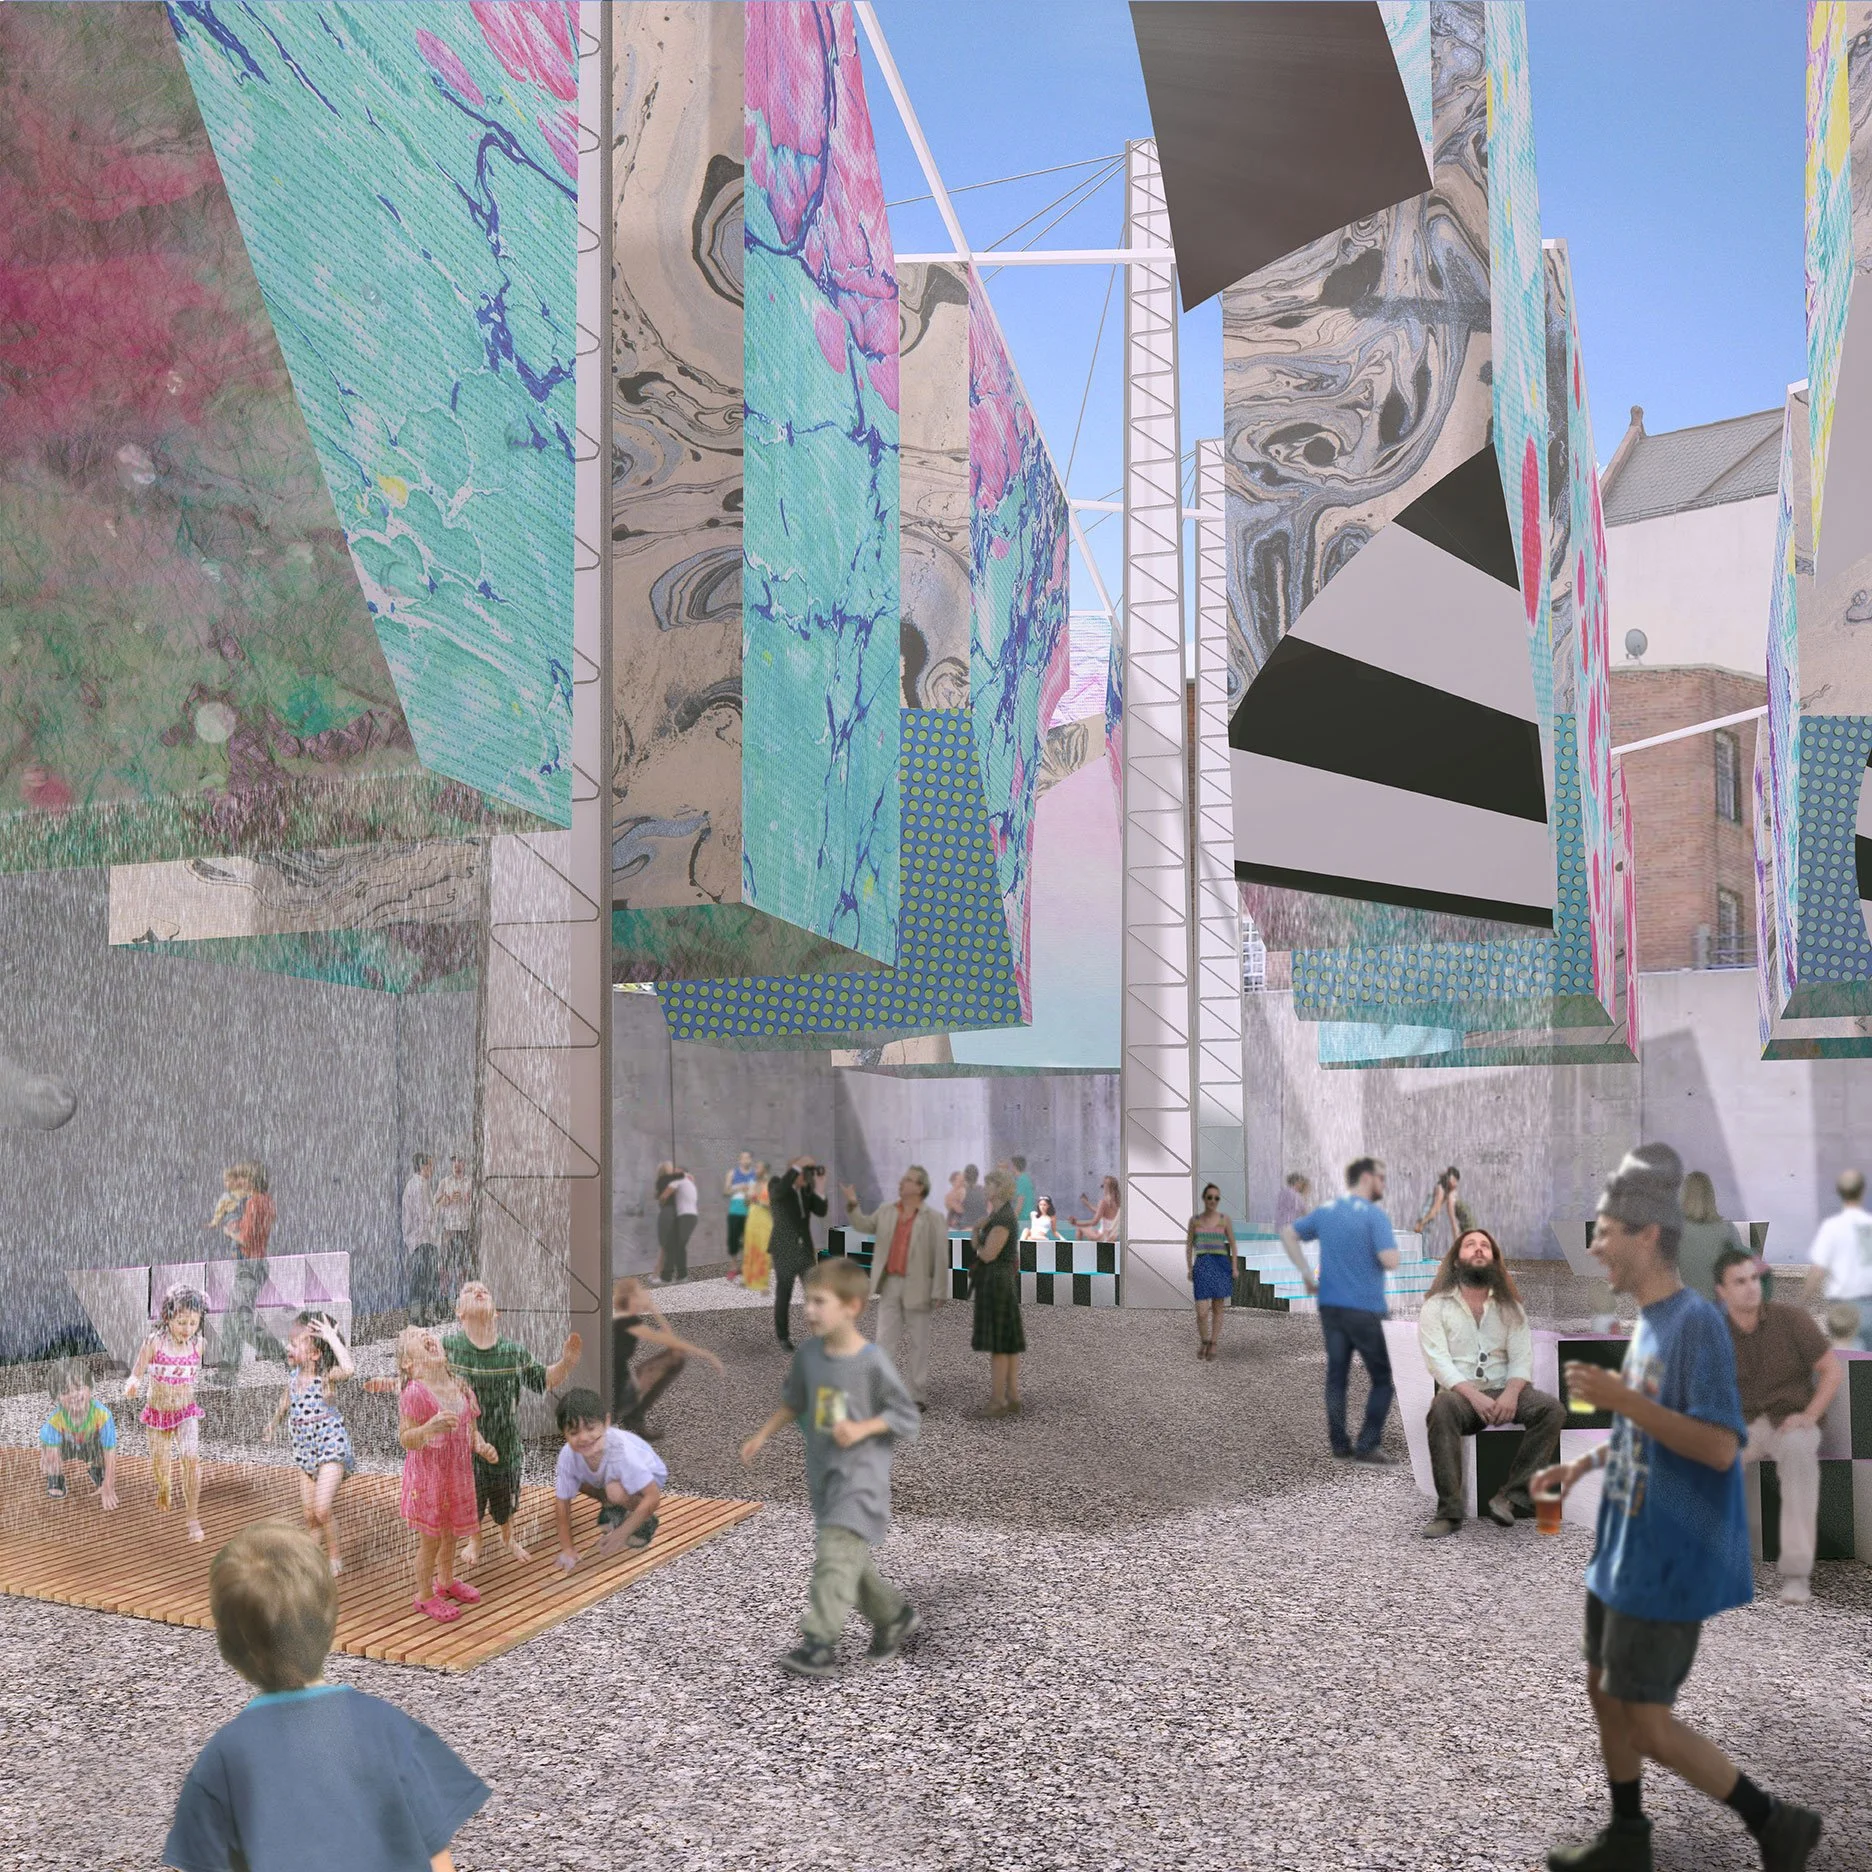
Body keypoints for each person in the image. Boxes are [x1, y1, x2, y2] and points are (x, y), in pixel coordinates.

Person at [1534, 1144, 1821, 1872]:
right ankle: (1628, 1838)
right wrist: (1585, 1462)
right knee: (1604, 1690)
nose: (1595, 1245)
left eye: (1605, 1231)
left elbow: (1720, 1448)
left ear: (1647, 1235)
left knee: (1649, 1723)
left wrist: (1623, 1400)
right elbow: (1645, 1431)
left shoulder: (1695, 1324)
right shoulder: (1648, 1322)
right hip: (1624, 1548)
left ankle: (1775, 1822)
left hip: (1669, 1557)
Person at [162, 1523, 488, 1872]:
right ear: (330, 1624)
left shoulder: (223, 1758)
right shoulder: (390, 1729)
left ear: (228, 1649)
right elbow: (437, 1858)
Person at [741, 1257, 921, 1677]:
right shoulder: (808, 1356)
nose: (809, 1310)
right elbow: (795, 1401)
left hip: (861, 1482)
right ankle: (892, 1615)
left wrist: (863, 1428)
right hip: (824, 1478)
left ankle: (818, 1643)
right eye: (807, 1301)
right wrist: (763, 1435)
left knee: (833, 1558)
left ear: (852, 1307)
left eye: (820, 1302)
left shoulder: (872, 1362)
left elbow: (906, 1417)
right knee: (850, 1563)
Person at [1714, 1245, 1842, 1605]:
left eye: (1754, 1279)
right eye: (1739, 1282)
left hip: (1791, 1423)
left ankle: (1797, 1575)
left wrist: (1811, 1415)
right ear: (1722, 1292)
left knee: (1800, 1454)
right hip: (1746, 1425)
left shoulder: (1792, 1319)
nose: (1751, 1287)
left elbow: (1832, 1370)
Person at [1416, 1227, 1564, 1537]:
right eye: (1470, 1245)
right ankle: (1449, 1513)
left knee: (1552, 1409)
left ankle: (1510, 1497)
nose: (1479, 1249)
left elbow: (1522, 1359)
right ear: (1457, 1261)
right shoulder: (1435, 1306)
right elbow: (1437, 1361)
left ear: (1495, 1261)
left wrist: (1511, 1394)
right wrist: (1474, 1396)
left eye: (1485, 1246)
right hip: (1461, 1395)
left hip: (1504, 1389)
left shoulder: (1511, 1308)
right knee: (1441, 1408)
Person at [444, 1281, 581, 1568]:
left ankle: (508, 1537)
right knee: (471, 1498)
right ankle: (475, 1539)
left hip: (506, 1441)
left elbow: (543, 1380)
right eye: (469, 1291)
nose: (478, 1291)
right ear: (459, 1312)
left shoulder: (512, 1352)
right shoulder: (448, 1348)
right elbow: (425, 1378)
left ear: (496, 1313)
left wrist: (566, 1364)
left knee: (506, 1498)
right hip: (464, 1446)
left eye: (484, 1290)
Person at [1283, 1157, 1400, 1465]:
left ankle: (1339, 1444)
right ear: (1366, 1177)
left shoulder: (1327, 1210)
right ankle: (1367, 1444)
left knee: (1337, 1376)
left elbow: (1288, 1234)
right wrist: (1390, 1254)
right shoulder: (1375, 1216)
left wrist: (1308, 1275)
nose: (1384, 1184)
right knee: (1384, 1378)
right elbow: (1390, 1260)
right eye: (1382, 1178)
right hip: (1366, 1310)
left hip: (1331, 1307)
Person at [394, 1325, 498, 1624]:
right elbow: (405, 1438)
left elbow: (471, 1430)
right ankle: (425, 1596)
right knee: (432, 1539)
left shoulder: (460, 1386)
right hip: (430, 1479)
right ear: (409, 1365)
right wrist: (427, 1429)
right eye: (415, 1337)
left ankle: (447, 1580)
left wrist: (481, 1446)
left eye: (428, 1332)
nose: (426, 1335)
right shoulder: (415, 1393)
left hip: (457, 1475)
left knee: (451, 1532)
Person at [841, 1165, 950, 1411]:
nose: (902, 1183)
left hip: (919, 1287)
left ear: (920, 1187)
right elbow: (863, 1225)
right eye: (903, 1179)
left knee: (918, 1343)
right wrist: (851, 1204)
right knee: (883, 1341)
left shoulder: (934, 1218)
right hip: (890, 1284)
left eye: (908, 1180)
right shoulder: (886, 1211)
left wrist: (940, 1290)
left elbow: (941, 1256)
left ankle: (916, 1396)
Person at [262, 1312, 356, 1576]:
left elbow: (349, 1368)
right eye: (289, 1342)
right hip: (305, 1455)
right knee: (309, 1514)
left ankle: (334, 1556)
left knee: (322, 1508)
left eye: (295, 1344)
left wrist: (330, 1338)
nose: (288, 1347)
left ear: (315, 1354)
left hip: (330, 1450)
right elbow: (286, 1401)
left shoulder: (326, 1378)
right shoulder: (293, 1378)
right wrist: (273, 1423)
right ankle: (314, 1560)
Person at [125, 1281, 209, 1540]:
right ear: (168, 1317)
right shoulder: (155, 1343)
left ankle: (192, 1518)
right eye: (182, 1322)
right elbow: (136, 1372)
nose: (188, 1329)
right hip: (158, 1413)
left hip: (186, 1412)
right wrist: (133, 1383)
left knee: (191, 1459)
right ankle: (164, 1487)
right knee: (161, 1465)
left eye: (193, 1323)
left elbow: (191, 1376)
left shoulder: (198, 1345)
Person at [552, 1389, 667, 1571]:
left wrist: (622, 1534)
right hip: (608, 1476)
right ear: (563, 1433)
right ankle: (614, 1507)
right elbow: (562, 1503)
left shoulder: (622, 1453)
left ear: (606, 1422)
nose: (583, 1438)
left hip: (650, 1475)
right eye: (574, 1432)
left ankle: (646, 1522)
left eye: (590, 1428)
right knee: (574, 1480)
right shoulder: (568, 1455)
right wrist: (568, 1549)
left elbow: (653, 1497)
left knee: (615, 1490)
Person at [612, 1274, 724, 1436]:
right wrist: (708, 1355)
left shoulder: (621, 1318)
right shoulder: (627, 1322)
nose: (647, 1294)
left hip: (616, 1385)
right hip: (617, 1393)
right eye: (641, 1291)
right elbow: (671, 1341)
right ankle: (633, 1417)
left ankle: (632, 1416)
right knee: (675, 1358)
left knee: (675, 1355)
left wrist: (653, 1309)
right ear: (632, 1298)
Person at [211, 1161, 281, 1383]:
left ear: (252, 1180)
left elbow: (246, 1238)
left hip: (250, 1267)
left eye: (244, 1177)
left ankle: (286, 1358)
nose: (238, 1182)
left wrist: (231, 1231)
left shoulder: (254, 1203)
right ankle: (227, 1372)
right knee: (232, 1320)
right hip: (253, 1266)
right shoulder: (265, 1202)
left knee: (241, 1323)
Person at [970, 1165, 1026, 1415]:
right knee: (1008, 1342)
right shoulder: (1001, 1216)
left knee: (1000, 1345)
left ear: (998, 1188)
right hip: (1003, 1281)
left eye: (989, 1184)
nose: (985, 1188)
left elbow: (988, 1254)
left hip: (996, 1282)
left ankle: (997, 1401)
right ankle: (1012, 1395)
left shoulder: (1001, 1219)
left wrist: (976, 1239)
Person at [1806, 1168, 1872, 1351]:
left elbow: (1818, 1271)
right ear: (1861, 1191)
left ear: (1839, 1192)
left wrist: (1802, 1301)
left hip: (1842, 1310)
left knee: (1848, 1368)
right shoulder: (1868, 1225)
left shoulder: (1832, 1227)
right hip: (1868, 1304)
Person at [37, 1360, 118, 1509]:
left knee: (102, 1449)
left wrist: (109, 1485)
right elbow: (48, 1444)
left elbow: (110, 1452)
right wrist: (47, 1458)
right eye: (65, 1392)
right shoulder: (55, 1420)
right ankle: (56, 1478)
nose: (74, 1395)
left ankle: (97, 1470)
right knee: (51, 1456)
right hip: (66, 1447)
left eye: (79, 1388)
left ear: (90, 1387)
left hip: (90, 1445)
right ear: (57, 1398)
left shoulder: (103, 1415)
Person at [769, 1155, 828, 1351]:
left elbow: (820, 1211)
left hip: (804, 1251)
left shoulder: (806, 1191)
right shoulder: (777, 1184)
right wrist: (798, 1166)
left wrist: (820, 1186)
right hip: (784, 1250)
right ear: (795, 1170)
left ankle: (821, 1334)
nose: (808, 1175)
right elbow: (778, 1193)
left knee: (815, 1292)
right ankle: (783, 1336)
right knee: (784, 1292)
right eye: (806, 1171)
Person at [1186, 1183, 1238, 1362]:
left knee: (1218, 1307)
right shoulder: (1195, 1221)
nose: (1213, 1201)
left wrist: (1235, 1266)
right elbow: (1189, 1244)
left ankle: (1213, 1342)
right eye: (1210, 1197)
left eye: (1216, 1198)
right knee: (1201, 1311)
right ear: (1204, 1198)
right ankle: (1204, 1340)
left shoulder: (1225, 1219)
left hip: (1220, 1264)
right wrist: (1189, 1267)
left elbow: (1232, 1243)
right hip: (1202, 1264)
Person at [1676, 1171, 1746, 1303]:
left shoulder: (1676, 1232)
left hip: (1689, 1306)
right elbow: (1745, 1266)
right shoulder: (1728, 1230)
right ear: (1711, 1196)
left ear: (1685, 1196)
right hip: (1722, 1307)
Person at [402, 1152, 441, 1326]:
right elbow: (425, 1215)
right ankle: (419, 1317)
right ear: (423, 1166)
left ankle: (417, 1316)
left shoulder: (412, 1185)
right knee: (424, 1281)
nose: (432, 1169)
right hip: (423, 1240)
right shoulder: (421, 1185)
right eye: (430, 1166)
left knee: (418, 1282)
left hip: (416, 1241)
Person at [433, 1154, 475, 1309]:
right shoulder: (444, 1183)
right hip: (448, 1230)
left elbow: (478, 1206)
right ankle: (444, 1302)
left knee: (463, 1267)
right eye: (454, 1161)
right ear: (451, 1163)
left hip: (464, 1230)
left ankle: (461, 1301)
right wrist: (447, 1200)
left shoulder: (470, 1183)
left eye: (460, 1161)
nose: (457, 1164)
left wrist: (468, 1200)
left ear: (464, 1163)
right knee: (444, 1267)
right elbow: (434, 1206)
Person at [1415, 1165, 1473, 1258]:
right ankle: (1422, 1264)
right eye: (1454, 1180)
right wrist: (1422, 1222)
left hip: (1427, 1216)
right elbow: (1435, 1209)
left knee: (1423, 1242)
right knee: (1423, 1242)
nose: (1456, 1184)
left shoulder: (1446, 1189)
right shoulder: (1441, 1188)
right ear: (1450, 1178)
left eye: (1456, 1181)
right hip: (1426, 1216)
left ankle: (1422, 1262)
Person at [724, 1151, 759, 1281]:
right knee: (733, 1240)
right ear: (739, 1160)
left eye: (748, 1158)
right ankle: (733, 1267)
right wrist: (738, 1187)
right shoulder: (732, 1173)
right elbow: (726, 1191)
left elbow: (760, 1192)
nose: (745, 1160)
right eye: (743, 1158)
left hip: (750, 1212)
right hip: (735, 1212)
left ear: (751, 1160)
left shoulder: (755, 1174)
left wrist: (753, 1195)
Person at [741, 1163, 774, 1294]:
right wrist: (747, 1197)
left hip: (764, 1220)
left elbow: (774, 1204)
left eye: (758, 1167)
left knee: (763, 1249)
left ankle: (762, 1283)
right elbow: (746, 1203)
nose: (756, 1169)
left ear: (765, 1170)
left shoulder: (770, 1185)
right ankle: (748, 1279)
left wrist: (760, 1201)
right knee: (749, 1247)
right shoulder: (752, 1184)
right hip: (752, 1218)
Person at [666, 1165, 699, 1282]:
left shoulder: (677, 1181)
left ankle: (681, 1275)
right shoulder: (688, 1180)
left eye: (675, 1171)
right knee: (677, 1245)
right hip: (690, 1217)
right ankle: (679, 1274)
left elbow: (664, 1197)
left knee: (678, 1246)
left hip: (685, 1217)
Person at [651, 1160, 678, 1285]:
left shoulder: (668, 1182)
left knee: (668, 1247)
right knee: (665, 1247)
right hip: (668, 1215)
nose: (673, 1168)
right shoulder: (665, 1182)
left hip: (669, 1214)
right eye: (670, 1167)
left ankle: (664, 1274)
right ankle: (656, 1274)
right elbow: (664, 1197)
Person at [1071, 1175, 1121, 1242]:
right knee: (1092, 1231)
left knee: (1080, 1228)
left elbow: (1094, 1222)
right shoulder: (1118, 1202)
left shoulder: (1104, 1202)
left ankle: (1078, 1251)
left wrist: (1076, 1223)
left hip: (1103, 1236)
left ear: (1106, 1187)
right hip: (1113, 1235)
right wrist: (1087, 1203)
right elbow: (1099, 1212)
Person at [957, 1163, 987, 1230]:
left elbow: (956, 1210)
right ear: (977, 1175)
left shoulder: (961, 1191)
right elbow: (989, 1209)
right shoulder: (984, 1190)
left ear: (965, 1176)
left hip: (966, 1227)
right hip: (981, 1228)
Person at [1011, 1155, 1037, 1230]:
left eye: (1011, 1166)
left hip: (1023, 1219)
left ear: (1014, 1166)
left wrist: (1012, 1220)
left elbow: (1020, 1202)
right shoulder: (1025, 1178)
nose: (1010, 1168)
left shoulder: (1021, 1180)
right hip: (1028, 1218)